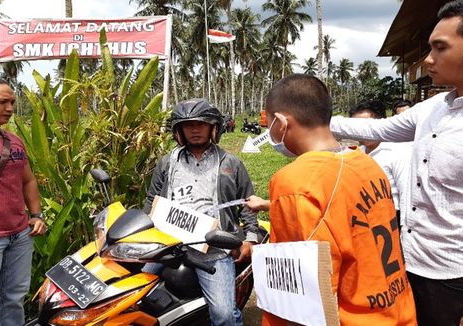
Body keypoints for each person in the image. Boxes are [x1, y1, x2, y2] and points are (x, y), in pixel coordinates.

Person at [330, 2, 463, 325]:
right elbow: (376, 130)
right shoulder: (433, 107)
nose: (427, 59)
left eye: (440, 48)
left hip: (453, 276)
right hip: (409, 260)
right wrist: (314, 120)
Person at [261, 74, 416, 325]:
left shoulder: (297, 182)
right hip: (398, 312)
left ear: (279, 123)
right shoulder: (367, 164)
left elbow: (300, 296)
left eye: (267, 123)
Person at [143, 98, 259, 326]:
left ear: (213, 127)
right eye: (188, 125)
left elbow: (247, 202)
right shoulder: (167, 163)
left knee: (224, 315)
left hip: (214, 248)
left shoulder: (231, 163)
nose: (194, 130)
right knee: (134, 291)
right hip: (169, 244)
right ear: (179, 131)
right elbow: (152, 200)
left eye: (201, 124)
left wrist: (251, 239)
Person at [0, 77, 46, 326]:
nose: (10, 108)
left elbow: (28, 181)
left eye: (12, 102)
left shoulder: (13, 141)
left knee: (14, 299)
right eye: (2, 101)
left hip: (19, 236)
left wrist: (37, 215)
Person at [349, 101, 410, 221]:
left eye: (367, 126)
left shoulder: (397, 152)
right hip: (365, 219)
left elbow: (406, 194)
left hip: (392, 218)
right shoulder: (355, 154)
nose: (362, 131)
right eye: (357, 127)